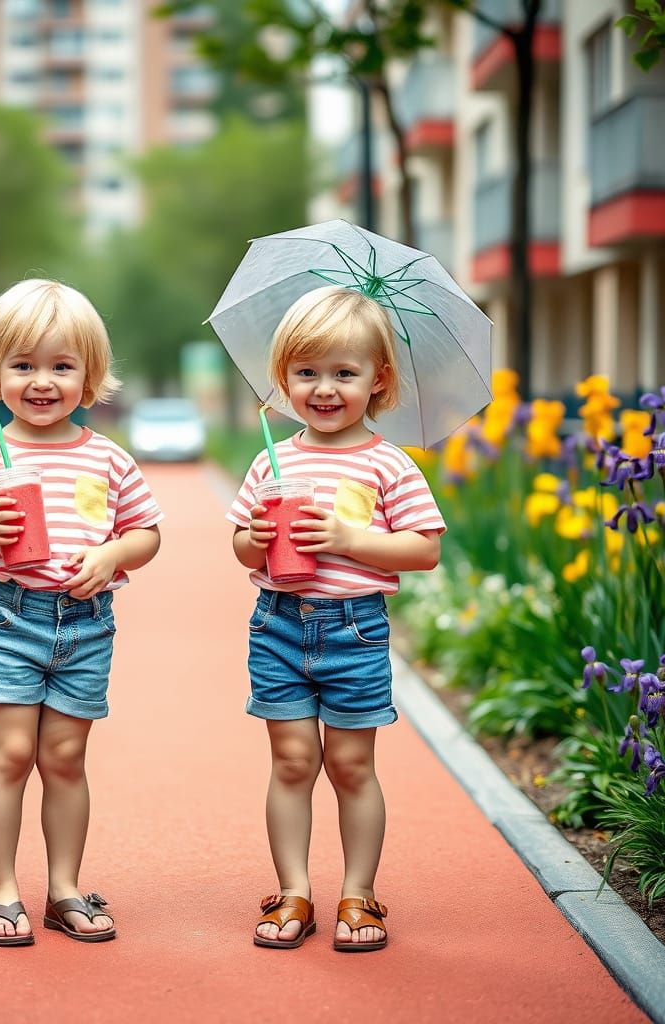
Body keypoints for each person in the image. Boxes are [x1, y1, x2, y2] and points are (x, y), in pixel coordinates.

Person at [0, 279, 163, 947]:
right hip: (12, 617)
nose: (41, 381)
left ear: (89, 377)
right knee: (7, 754)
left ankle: (63, 888)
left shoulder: (108, 459)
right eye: (23, 365)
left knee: (64, 756)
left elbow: (146, 532)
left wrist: (113, 553)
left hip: (85, 623)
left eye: (62, 366)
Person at [226, 285, 445, 952]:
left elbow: (424, 549)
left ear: (377, 380)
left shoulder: (387, 464)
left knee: (351, 765)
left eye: (343, 373)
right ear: (283, 377)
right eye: (306, 372)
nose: (323, 389)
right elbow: (240, 547)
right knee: (292, 761)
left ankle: (359, 891)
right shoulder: (272, 459)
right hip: (280, 624)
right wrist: (257, 535)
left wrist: (352, 540)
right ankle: (293, 888)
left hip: (354, 629)